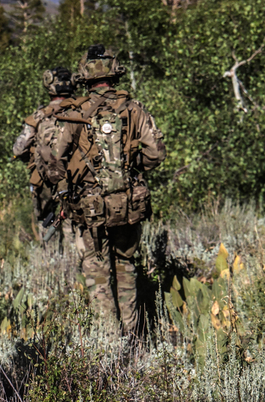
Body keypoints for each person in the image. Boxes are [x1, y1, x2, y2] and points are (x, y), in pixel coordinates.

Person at [39, 45, 165, 339]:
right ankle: (133, 338)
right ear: (114, 72)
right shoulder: (135, 109)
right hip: (128, 203)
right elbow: (157, 154)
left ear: (84, 75)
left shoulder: (74, 114)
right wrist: (131, 168)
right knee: (125, 266)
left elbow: (54, 161)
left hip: (89, 208)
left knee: (96, 272)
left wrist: (64, 189)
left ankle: (110, 344)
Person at [12, 66, 80, 248]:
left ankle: (52, 270)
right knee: (75, 230)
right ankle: (75, 269)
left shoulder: (39, 116)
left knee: (48, 227)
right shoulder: (82, 113)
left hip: (46, 184)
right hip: (77, 182)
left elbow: (18, 149)